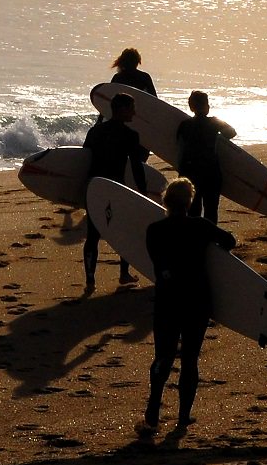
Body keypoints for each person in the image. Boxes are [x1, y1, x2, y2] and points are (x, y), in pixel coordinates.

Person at [140, 179, 235, 434]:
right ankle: (183, 417)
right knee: (190, 358)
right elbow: (230, 241)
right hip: (197, 299)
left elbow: (157, 263)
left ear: (165, 200)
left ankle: (152, 410)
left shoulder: (154, 230)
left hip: (168, 299)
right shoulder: (201, 226)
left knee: (163, 356)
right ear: (189, 202)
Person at [82, 93, 148, 292]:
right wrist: (143, 194)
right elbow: (137, 168)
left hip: (94, 186)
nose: (134, 113)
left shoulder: (95, 131)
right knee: (124, 233)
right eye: (131, 108)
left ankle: (90, 280)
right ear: (121, 109)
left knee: (93, 235)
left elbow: (82, 158)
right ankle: (123, 274)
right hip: (115, 188)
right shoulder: (130, 135)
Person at [175, 91, 237, 227]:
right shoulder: (214, 122)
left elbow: (179, 149)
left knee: (193, 211)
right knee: (211, 210)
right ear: (207, 106)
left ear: (191, 107)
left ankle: (194, 240)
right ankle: (210, 240)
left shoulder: (184, 125)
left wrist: (180, 173)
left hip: (190, 172)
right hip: (211, 172)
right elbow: (232, 132)